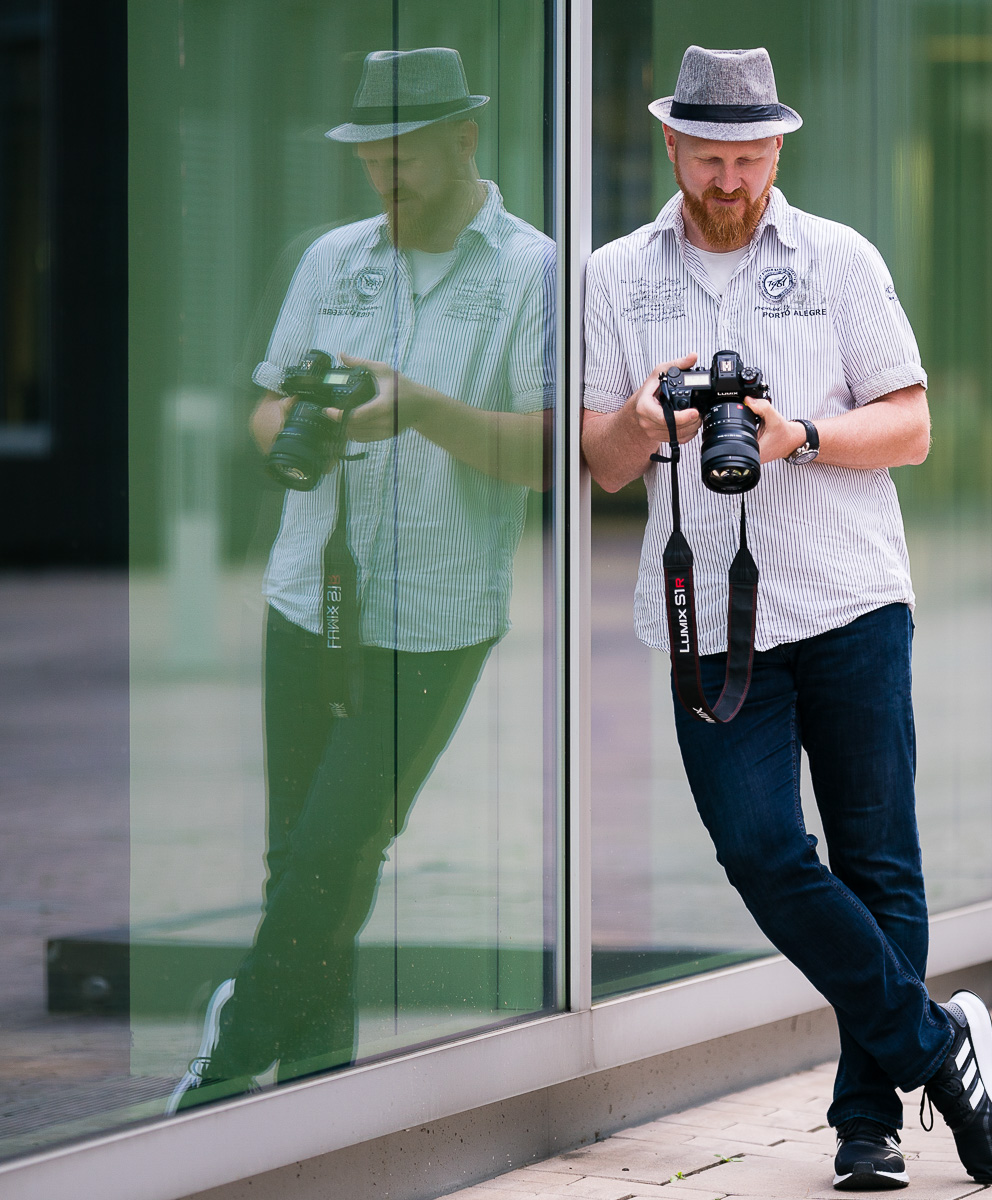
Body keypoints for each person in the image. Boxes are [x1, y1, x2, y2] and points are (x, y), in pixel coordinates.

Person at [580, 46, 992, 1191]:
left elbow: (912, 427)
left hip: (850, 599)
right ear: (673, 145)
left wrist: (798, 438)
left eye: (749, 158)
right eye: (710, 158)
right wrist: (641, 417)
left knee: (878, 861)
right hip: (708, 626)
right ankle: (939, 1049)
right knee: (762, 848)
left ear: (779, 148)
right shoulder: (616, 276)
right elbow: (598, 460)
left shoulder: (840, 260)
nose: (730, 182)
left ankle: (866, 1124)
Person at [167, 46, 554, 1113]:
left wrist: (421, 407)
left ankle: (230, 1053)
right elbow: (263, 409)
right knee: (301, 855)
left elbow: (547, 451)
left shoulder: (531, 270)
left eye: (404, 157)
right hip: (308, 593)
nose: (384, 178)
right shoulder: (333, 260)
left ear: (462, 140)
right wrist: (303, 435)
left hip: (432, 615)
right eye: (369, 158)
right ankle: (315, 1092)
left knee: (341, 843)